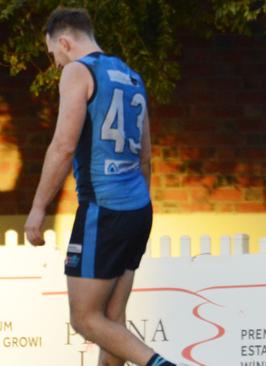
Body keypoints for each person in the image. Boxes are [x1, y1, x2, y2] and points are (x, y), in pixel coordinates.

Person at [24, 7, 179, 366]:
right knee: (111, 321)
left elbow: (63, 145)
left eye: (54, 57)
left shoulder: (79, 71)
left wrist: (37, 208)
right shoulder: (131, 75)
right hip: (137, 209)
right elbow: (146, 157)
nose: (57, 65)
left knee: (84, 318)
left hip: (103, 210)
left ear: (64, 42)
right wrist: (138, 207)